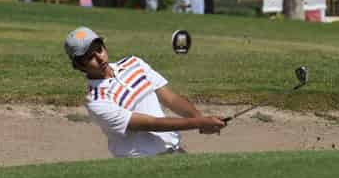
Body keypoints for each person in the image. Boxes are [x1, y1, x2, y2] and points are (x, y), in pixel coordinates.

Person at [64, 26, 226, 157]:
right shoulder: (96, 100)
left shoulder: (134, 63)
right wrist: (200, 123)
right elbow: (151, 123)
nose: (99, 58)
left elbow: (170, 99)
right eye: (90, 57)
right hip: (142, 163)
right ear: (79, 65)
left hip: (175, 152)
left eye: (99, 49)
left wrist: (200, 118)